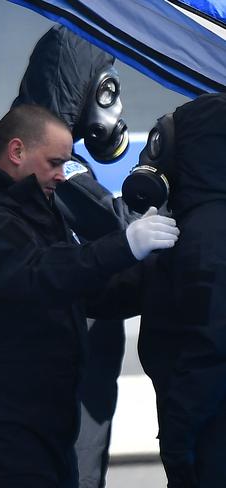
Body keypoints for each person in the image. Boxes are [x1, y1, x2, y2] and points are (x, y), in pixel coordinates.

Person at [0, 104, 179, 487]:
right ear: (16, 151)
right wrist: (122, 247)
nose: (63, 176)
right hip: (3, 421)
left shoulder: (29, 209)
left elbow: (80, 289)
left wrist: (156, 276)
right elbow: (38, 274)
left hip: (41, 416)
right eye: (55, 163)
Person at [11, 25, 137, 488]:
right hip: (61, 369)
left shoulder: (26, 149)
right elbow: (117, 228)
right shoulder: (49, 164)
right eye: (106, 86)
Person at [131, 93, 226, 488]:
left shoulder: (207, 235)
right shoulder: (200, 225)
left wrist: (177, 435)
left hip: (209, 437)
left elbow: (211, 347)